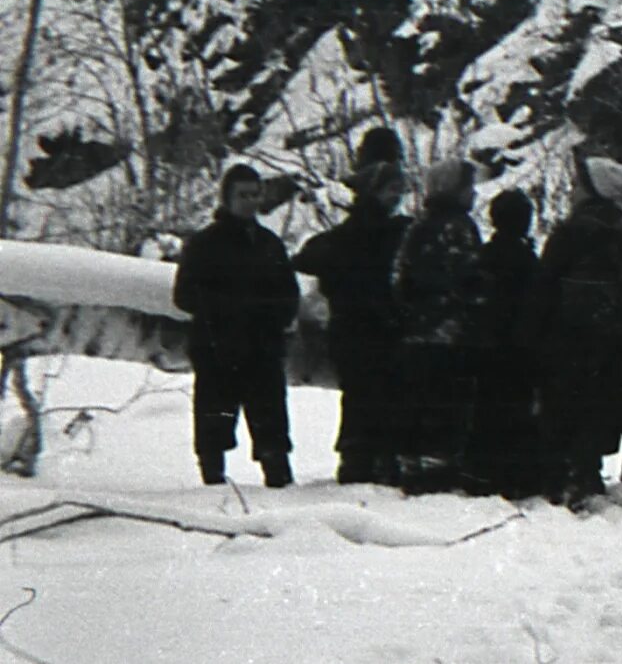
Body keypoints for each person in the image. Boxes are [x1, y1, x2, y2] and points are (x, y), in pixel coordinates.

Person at [532, 154, 622, 503]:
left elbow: (544, 287)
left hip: (567, 338)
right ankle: (588, 474)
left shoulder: (570, 232)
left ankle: (563, 477)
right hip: (612, 339)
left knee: (563, 407)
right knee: (597, 408)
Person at [174, 163, 299, 489]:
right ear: (226, 198)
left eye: (255, 194)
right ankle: (213, 491)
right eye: (242, 194)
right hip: (218, 347)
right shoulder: (203, 244)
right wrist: (227, 308)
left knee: (271, 426)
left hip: (263, 349)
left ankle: (281, 485)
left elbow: (289, 294)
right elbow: (184, 295)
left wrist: (272, 319)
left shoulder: (270, 243)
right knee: (214, 425)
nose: (250, 201)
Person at [293, 160, 409, 484]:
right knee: (380, 396)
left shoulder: (338, 237)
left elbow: (304, 263)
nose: (396, 197)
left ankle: (356, 461)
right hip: (378, 328)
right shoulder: (395, 233)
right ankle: (377, 463)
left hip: (350, 329)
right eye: (391, 190)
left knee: (359, 397)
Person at [390, 157, 490, 492]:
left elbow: (400, 281)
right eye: (469, 187)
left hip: (416, 333)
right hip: (451, 334)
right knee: (446, 406)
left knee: (417, 404)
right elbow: (472, 280)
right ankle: (439, 472)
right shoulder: (460, 227)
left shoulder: (418, 227)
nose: (474, 194)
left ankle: (412, 468)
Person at [467, 188, 545, 498]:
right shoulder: (530, 260)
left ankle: (482, 473)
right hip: (522, 345)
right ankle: (519, 475)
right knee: (519, 409)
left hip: (487, 343)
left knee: (487, 408)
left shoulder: (483, 256)